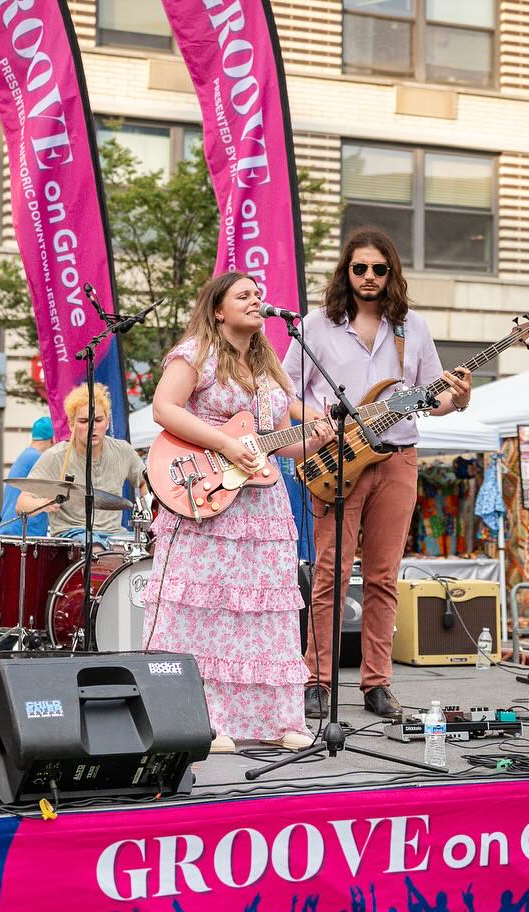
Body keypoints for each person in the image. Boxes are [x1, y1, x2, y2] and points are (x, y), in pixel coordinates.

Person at [283, 227, 473, 720]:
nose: (369, 277)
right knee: (330, 573)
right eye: (359, 268)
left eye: (379, 269)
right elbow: (284, 393)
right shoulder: (317, 324)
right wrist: (326, 421)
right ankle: (317, 680)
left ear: (392, 273)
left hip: (398, 459)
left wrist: (460, 398)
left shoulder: (414, 327)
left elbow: (436, 397)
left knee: (385, 576)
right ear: (346, 272)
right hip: (338, 459)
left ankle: (377, 683)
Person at [144, 272, 334, 752]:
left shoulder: (272, 369)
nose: (256, 301)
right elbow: (164, 408)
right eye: (243, 295)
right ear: (217, 310)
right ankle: (206, 717)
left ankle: (278, 718)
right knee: (207, 610)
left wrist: (318, 437)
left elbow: (283, 443)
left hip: (262, 503)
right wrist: (227, 442)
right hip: (204, 493)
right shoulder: (195, 354)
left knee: (263, 610)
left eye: (258, 295)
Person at [17, 383, 145, 544]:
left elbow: (144, 481)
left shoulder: (123, 450)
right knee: (95, 549)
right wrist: (43, 504)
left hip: (114, 534)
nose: (92, 427)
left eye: (98, 420)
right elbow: (21, 503)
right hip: (72, 533)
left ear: (107, 422)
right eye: (84, 421)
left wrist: (149, 506)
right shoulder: (55, 456)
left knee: (145, 551)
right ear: (71, 425)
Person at [0, 416, 54, 536]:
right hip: (23, 531)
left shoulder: (26, 455)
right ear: (53, 439)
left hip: (12, 528)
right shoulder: (38, 458)